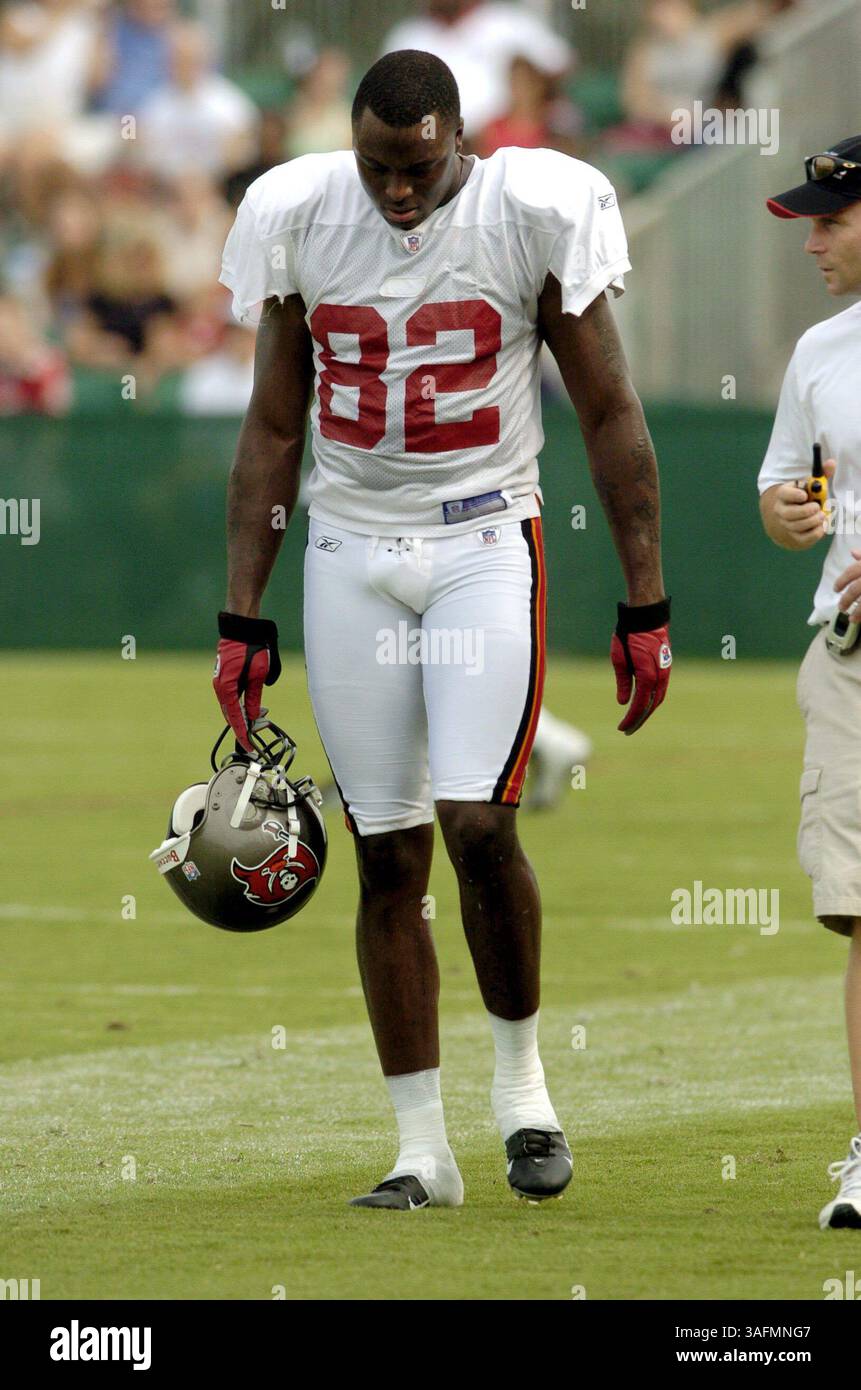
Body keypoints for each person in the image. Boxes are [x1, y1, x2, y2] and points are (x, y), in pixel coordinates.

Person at [215, 49, 671, 1210]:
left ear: (461, 139)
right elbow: (273, 427)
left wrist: (646, 599)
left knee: (478, 823)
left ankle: (524, 1095)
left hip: (482, 539)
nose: (397, 192)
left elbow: (611, 409)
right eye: (377, 166)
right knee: (387, 853)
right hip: (349, 545)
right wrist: (241, 616)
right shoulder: (303, 210)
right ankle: (422, 1148)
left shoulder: (532, 207)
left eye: (417, 168)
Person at [758, 136, 861, 1229]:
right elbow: (786, 489)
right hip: (847, 662)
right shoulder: (821, 351)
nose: (814, 238)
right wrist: (788, 515)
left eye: (831, 218)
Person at [381, 1, 572, 144]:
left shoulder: (509, 23)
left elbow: (557, 66)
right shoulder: (407, 35)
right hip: (430, 149)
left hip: (503, 147)